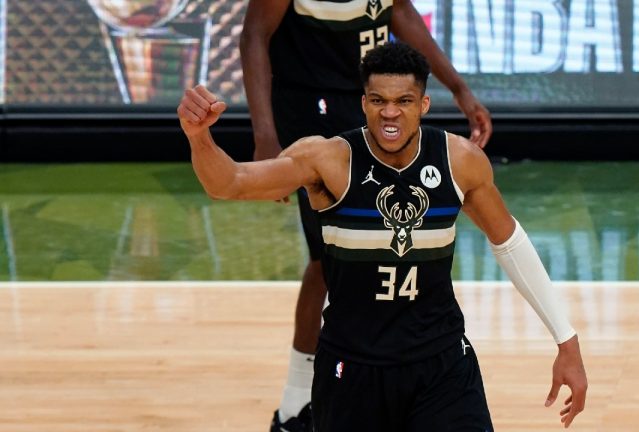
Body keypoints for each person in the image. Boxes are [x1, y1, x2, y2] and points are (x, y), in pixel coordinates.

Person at [179, 42, 587, 431]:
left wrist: (566, 340)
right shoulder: (328, 160)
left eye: (403, 102)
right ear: (363, 103)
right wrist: (200, 137)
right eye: (378, 101)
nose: (390, 113)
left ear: (423, 105)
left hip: (441, 364)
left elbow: (510, 242)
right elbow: (230, 182)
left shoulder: (459, 161)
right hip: (352, 369)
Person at [239, 0, 493, 429]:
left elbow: (404, 15)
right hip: (310, 104)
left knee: (364, 250)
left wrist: (459, 88)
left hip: (373, 104)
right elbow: (253, 35)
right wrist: (265, 134)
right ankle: (295, 404)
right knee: (326, 259)